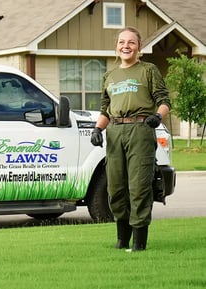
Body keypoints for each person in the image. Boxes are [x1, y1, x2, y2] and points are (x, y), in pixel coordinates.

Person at [91, 27, 171, 251]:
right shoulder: (110, 76)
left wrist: (157, 116)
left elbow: (164, 100)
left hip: (140, 130)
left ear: (139, 47)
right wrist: (97, 129)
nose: (126, 46)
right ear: (116, 46)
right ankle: (121, 239)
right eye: (121, 42)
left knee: (139, 187)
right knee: (115, 187)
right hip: (115, 133)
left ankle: (138, 242)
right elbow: (105, 109)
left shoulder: (148, 70)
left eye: (131, 42)